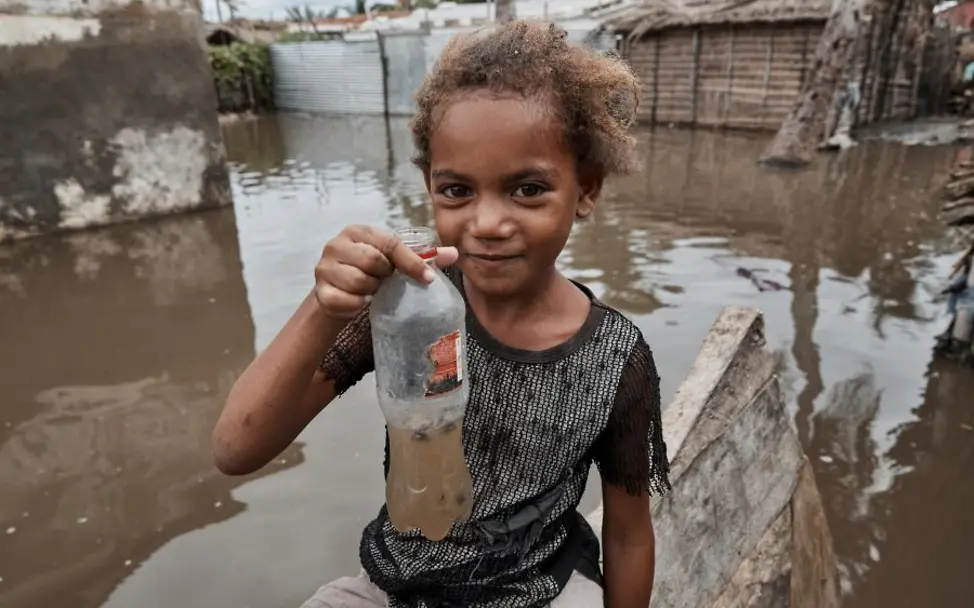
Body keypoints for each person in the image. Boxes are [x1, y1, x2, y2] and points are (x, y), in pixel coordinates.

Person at [212, 20, 670, 608]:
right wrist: (325, 305)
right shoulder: (403, 308)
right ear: (429, 185)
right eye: (457, 191)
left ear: (586, 189)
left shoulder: (615, 358)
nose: (486, 223)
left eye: (528, 189)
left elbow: (630, 535)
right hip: (400, 584)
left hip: (541, 586)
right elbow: (235, 450)